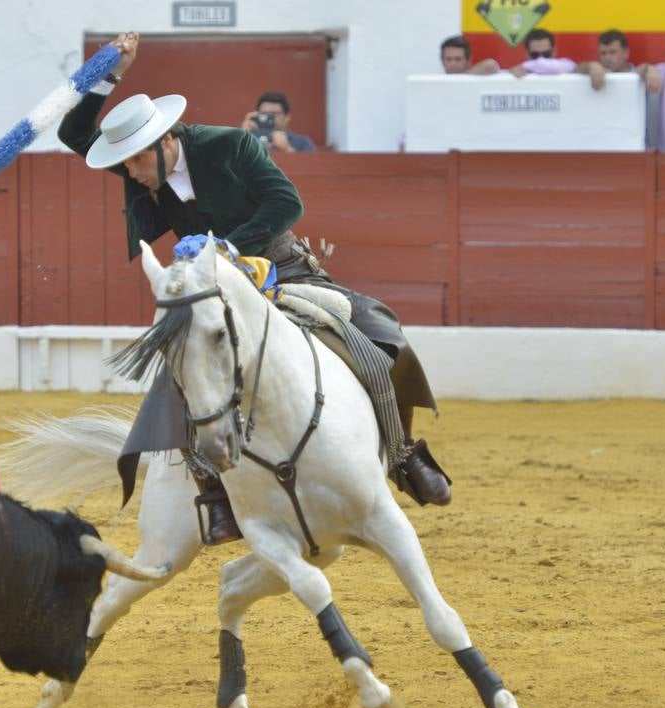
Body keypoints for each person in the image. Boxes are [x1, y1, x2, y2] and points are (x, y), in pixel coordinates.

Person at [58, 32, 450, 544]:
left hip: (281, 269)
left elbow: (286, 204)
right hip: (212, 287)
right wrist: (109, 69)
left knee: (375, 334)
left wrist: (225, 248)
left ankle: (401, 455)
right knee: (182, 373)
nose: (130, 173)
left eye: (135, 161)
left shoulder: (230, 145)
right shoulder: (140, 161)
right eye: (125, 162)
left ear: (167, 140)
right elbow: (72, 130)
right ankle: (215, 493)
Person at [576, 30, 661, 148]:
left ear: (626, 53)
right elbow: (574, 70)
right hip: (601, 149)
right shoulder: (595, 73)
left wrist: (651, 69)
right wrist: (591, 66)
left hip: (637, 150)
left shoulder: (640, 77)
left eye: (612, 52)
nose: (607, 58)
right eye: (603, 53)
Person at [240, 91, 315, 154]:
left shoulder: (303, 142)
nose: (269, 118)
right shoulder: (250, 140)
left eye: (274, 114)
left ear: (287, 117)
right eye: (264, 114)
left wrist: (287, 149)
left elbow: (314, 168)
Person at [509, 29, 577, 76]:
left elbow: (550, 66)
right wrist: (513, 72)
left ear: (554, 51)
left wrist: (526, 67)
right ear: (527, 54)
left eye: (546, 54)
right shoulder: (521, 69)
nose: (541, 58)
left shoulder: (567, 64)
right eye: (535, 55)